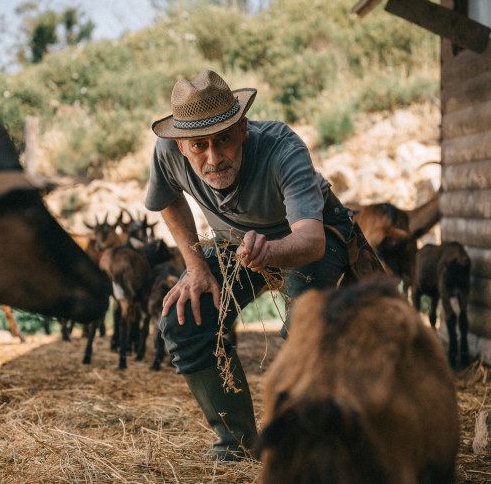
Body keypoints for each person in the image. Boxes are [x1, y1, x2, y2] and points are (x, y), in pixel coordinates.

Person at [144, 69, 354, 460]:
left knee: (306, 331)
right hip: (234, 241)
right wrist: (196, 268)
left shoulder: (282, 147)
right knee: (184, 319)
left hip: (311, 233)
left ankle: (307, 444)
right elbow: (167, 201)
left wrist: (271, 253)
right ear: (181, 145)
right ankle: (236, 444)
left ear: (242, 128)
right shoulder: (167, 151)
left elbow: (311, 239)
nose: (213, 157)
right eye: (198, 146)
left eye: (223, 139)